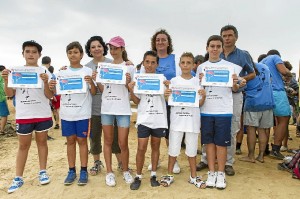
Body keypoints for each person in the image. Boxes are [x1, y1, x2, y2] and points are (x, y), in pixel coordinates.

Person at [197, 25, 255, 176]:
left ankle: (228, 162)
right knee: (207, 129)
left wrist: (239, 80)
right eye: (224, 35)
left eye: (230, 35)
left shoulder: (243, 55)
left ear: (236, 37)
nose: (227, 38)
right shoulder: (208, 60)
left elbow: (252, 74)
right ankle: (205, 159)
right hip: (211, 98)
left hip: (233, 97)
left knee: (231, 129)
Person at [2, 40, 54, 193]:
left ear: (39, 55)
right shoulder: (15, 71)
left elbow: (50, 95)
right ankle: (18, 177)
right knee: (23, 146)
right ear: (23, 54)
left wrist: (46, 82)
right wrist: (6, 80)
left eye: (34, 52)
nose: (31, 54)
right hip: (24, 115)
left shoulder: (45, 72)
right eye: (28, 51)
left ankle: (43, 171)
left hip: (42, 114)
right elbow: (10, 94)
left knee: (42, 143)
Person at [50, 41, 96, 186]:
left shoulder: (88, 71)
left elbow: (94, 92)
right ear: (67, 55)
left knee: (82, 141)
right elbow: (54, 93)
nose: (73, 55)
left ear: (81, 54)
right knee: (70, 141)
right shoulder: (61, 72)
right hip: (66, 114)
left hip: (82, 113)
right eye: (70, 52)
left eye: (76, 52)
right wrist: (51, 86)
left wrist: (91, 82)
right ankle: (71, 170)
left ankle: (83, 170)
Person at [197, 35, 240, 189]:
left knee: (221, 143)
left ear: (222, 49)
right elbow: (198, 91)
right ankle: (212, 172)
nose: (215, 49)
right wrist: (200, 82)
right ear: (207, 48)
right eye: (212, 46)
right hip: (207, 111)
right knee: (208, 142)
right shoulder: (201, 67)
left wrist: (235, 83)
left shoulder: (230, 67)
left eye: (218, 46)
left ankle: (221, 173)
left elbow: (235, 89)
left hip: (223, 111)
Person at [160, 52, 206, 189]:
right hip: (177, 121)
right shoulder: (173, 81)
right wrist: (166, 95)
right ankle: (169, 175)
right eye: (183, 62)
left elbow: (201, 103)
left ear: (193, 65)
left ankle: (193, 176)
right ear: (179, 64)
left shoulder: (198, 82)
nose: (185, 65)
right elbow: (169, 101)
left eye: (188, 63)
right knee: (173, 149)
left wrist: (203, 96)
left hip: (192, 122)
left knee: (192, 150)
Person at [97, 36, 134, 186]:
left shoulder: (130, 67)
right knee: (107, 141)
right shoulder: (105, 67)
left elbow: (131, 91)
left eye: (116, 48)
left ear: (122, 49)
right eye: (111, 48)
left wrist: (127, 83)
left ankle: (125, 170)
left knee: (123, 142)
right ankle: (109, 172)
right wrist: (98, 80)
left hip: (123, 109)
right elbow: (103, 90)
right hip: (107, 108)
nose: (113, 51)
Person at [128, 51, 167, 190]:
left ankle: (154, 175)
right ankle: (138, 176)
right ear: (143, 63)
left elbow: (168, 98)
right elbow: (137, 101)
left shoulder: (162, 79)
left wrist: (169, 89)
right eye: (147, 62)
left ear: (157, 64)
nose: (150, 65)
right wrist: (131, 90)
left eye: (153, 62)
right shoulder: (139, 79)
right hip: (144, 119)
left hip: (158, 119)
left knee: (155, 147)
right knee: (141, 148)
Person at [84, 36, 122, 176]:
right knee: (94, 136)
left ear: (103, 48)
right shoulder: (86, 68)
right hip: (94, 107)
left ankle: (120, 162)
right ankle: (97, 162)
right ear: (89, 50)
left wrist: (128, 62)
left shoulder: (113, 63)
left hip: (113, 107)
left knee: (115, 136)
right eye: (93, 47)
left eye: (99, 46)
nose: (96, 49)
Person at [147, 29, 181, 173]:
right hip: (153, 104)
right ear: (154, 43)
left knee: (169, 133)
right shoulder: (149, 59)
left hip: (170, 103)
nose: (160, 42)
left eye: (163, 39)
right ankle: (155, 160)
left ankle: (174, 161)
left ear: (168, 43)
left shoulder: (175, 58)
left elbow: (184, 77)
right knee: (154, 133)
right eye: (158, 40)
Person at [239, 58, 275, 163]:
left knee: (251, 130)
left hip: (253, 102)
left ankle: (251, 156)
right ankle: (261, 156)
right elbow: (270, 81)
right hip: (268, 101)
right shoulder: (265, 67)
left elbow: (241, 87)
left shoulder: (244, 70)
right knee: (262, 130)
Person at [260, 50, 292, 159]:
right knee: (284, 119)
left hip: (264, 93)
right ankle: (276, 149)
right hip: (277, 92)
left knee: (266, 123)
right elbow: (283, 71)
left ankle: (263, 150)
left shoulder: (262, 61)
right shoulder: (275, 57)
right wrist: (289, 73)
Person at [0, 65, 10, 134]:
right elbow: (4, 87)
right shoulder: (2, 76)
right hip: (1, 99)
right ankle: (1, 130)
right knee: (4, 115)